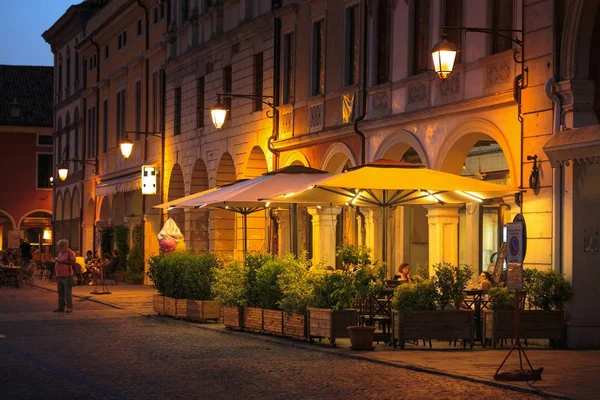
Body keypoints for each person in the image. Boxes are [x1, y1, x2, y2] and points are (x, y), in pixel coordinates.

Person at [54, 239, 76, 313]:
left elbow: (73, 263)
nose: (59, 247)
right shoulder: (60, 253)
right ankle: (61, 307)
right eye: (59, 246)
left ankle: (69, 307)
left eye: (60, 246)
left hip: (67, 275)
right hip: (59, 275)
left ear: (64, 246)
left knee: (67, 293)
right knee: (60, 293)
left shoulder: (70, 253)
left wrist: (63, 262)